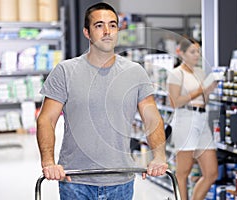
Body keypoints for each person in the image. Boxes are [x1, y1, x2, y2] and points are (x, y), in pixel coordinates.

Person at [36, 2, 168, 200]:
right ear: (87, 32)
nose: (107, 31)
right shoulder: (65, 71)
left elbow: (152, 118)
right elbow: (46, 120)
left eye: (112, 25)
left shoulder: (135, 72)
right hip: (76, 182)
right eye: (99, 25)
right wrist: (48, 162)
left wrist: (159, 156)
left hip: (120, 182)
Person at [167, 37, 218, 200]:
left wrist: (208, 91)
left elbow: (203, 99)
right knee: (183, 172)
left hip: (202, 119)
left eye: (198, 51)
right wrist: (199, 90)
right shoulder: (176, 74)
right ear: (181, 53)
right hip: (185, 119)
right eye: (193, 51)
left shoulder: (200, 72)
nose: (197, 55)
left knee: (211, 173)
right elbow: (175, 102)